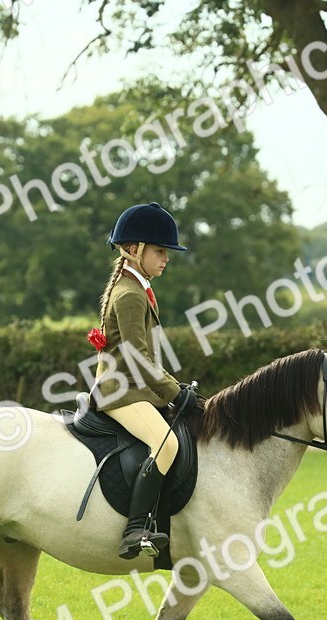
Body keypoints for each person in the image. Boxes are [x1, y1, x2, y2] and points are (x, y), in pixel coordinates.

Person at [88, 202, 198, 560]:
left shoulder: (137, 287)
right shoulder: (131, 294)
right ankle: (135, 529)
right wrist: (175, 392)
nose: (166, 259)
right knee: (166, 444)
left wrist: (173, 389)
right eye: (160, 251)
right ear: (134, 250)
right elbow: (138, 357)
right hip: (121, 392)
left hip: (134, 388)